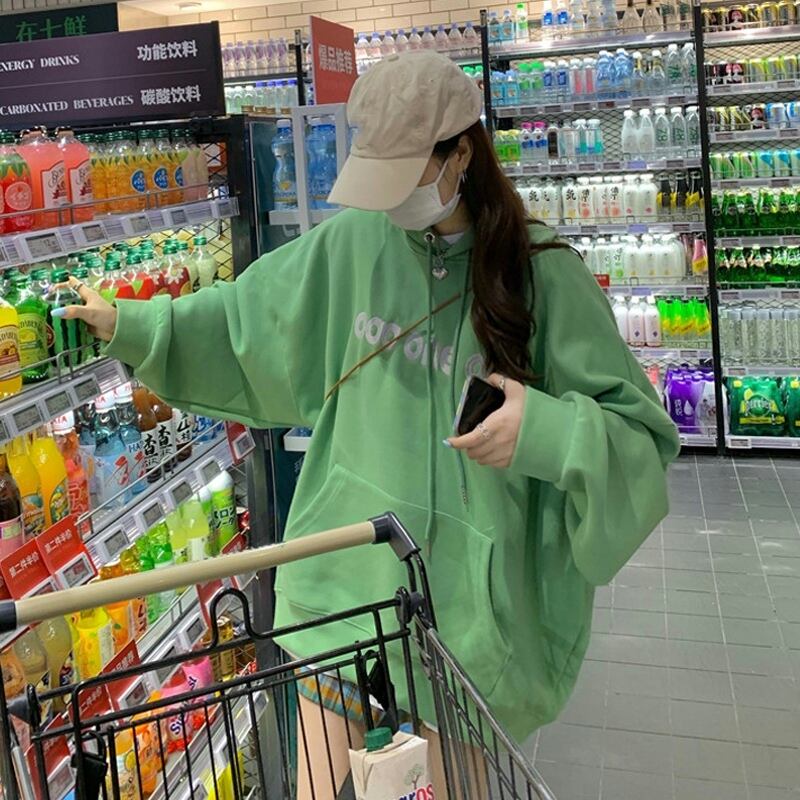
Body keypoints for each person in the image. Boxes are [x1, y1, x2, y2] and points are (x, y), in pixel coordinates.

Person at [58, 51, 679, 798]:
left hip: (466, 625)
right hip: (338, 590)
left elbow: (638, 440)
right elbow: (240, 319)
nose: (390, 203)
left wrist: (543, 430)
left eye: (407, 175)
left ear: (462, 155)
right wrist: (130, 324)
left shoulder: (544, 274)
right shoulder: (351, 245)